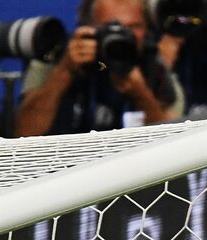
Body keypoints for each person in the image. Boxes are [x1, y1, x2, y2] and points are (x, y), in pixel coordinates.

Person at [15, 0, 182, 137]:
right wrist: (64, 72)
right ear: (86, 26)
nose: (121, 36)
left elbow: (175, 144)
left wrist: (142, 97)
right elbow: (24, 133)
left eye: (133, 27)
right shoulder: (55, 57)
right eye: (110, 26)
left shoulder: (153, 63)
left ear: (147, 28)